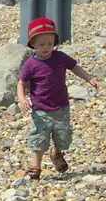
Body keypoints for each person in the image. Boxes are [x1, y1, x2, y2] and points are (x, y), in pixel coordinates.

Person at [17, 16, 99, 180]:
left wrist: (89, 78)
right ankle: (35, 166)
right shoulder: (31, 65)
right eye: (41, 44)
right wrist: (22, 99)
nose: (46, 47)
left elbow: (75, 67)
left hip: (61, 106)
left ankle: (56, 153)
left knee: (63, 137)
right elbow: (21, 83)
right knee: (39, 137)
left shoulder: (60, 57)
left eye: (49, 43)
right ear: (32, 44)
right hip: (40, 109)